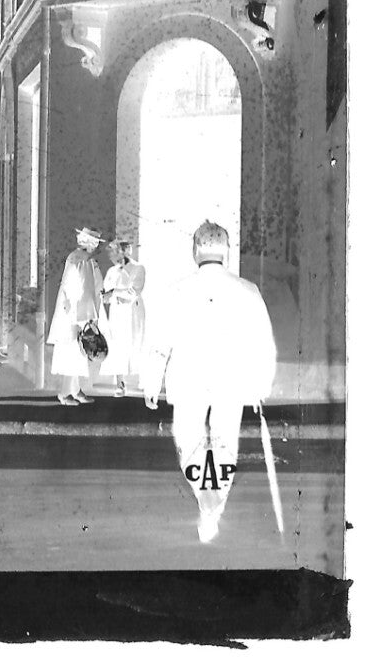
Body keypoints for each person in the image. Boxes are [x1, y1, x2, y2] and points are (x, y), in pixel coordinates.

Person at [141, 221, 277, 543]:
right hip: (231, 380)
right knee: (225, 443)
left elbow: (158, 342)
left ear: (195, 251)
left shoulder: (176, 290)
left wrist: (151, 383)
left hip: (188, 380)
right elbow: (263, 344)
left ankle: (206, 498)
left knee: (188, 441)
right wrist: (262, 385)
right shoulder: (248, 291)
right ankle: (213, 505)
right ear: (226, 252)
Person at [48, 227, 104, 405]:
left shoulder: (87, 261)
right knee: (71, 352)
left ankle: (76, 389)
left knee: (80, 352)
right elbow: (71, 289)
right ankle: (65, 393)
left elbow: (91, 288)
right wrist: (76, 315)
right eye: (94, 242)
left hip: (83, 313)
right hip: (73, 314)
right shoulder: (76, 259)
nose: (96, 245)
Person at [99, 237, 147, 396]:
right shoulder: (111, 271)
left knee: (134, 343)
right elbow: (106, 291)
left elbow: (134, 291)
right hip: (117, 313)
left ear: (125, 252)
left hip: (133, 312)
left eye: (116, 252)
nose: (113, 256)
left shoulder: (138, 268)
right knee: (117, 345)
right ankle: (120, 383)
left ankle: (142, 381)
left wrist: (114, 293)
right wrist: (108, 295)